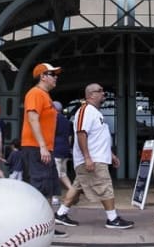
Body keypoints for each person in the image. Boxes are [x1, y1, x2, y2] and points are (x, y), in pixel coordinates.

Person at [54, 83, 134, 230]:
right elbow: (81, 133)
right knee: (105, 187)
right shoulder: (85, 110)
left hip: (96, 158)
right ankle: (112, 219)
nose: (103, 93)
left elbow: (98, 137)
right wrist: (87, 158)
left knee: (78, 186)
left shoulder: (95, 112)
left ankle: (60, 214)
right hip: (93, 160)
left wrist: (111, 155)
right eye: (100, 91)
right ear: (90, 95)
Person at [20, 62, 67, 238]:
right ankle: (35, 228)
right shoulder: (35, 93)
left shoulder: (44, 96)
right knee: (39, 188)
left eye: (56, 74)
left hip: (43, 148)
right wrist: (42, 146)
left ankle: (44, 227)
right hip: (36, 148)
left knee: (48, 188)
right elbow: (33, 120)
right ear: (43, 76)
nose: (56, 77)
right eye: (52, 74)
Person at [53, 100, 74, 206]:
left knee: (55, 174)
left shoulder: (53, 119)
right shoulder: (67, 121)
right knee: (63, 174)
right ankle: (72, 192)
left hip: (55, 149)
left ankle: (55, 197)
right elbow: (70, 137)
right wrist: (68, 147)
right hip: (65, 150)